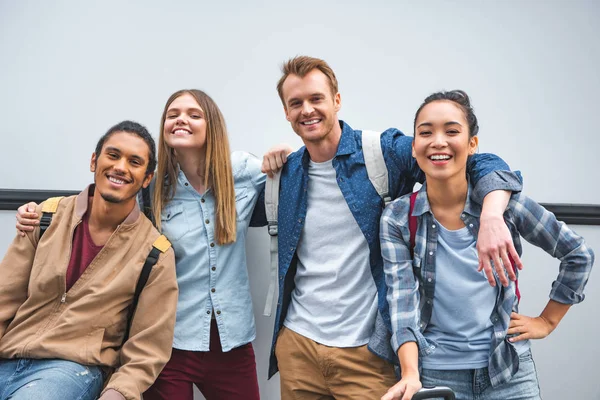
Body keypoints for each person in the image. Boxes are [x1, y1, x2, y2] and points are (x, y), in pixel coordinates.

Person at [258, 56, 525, 399]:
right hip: (298, 348)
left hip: (368, 352)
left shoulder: (380, 152)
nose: (307, 110)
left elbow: (477, 162)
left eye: (316, 98)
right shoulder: (288, 172)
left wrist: (491, 215)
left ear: (336, 100)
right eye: (296, 103)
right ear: (286, 112)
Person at [16, 89, 290, 399]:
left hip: (232, 343)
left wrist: (286, 154)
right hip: (168, 342)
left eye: (193, 114)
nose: (181, 119)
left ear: (211, 124)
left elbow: (295, 180)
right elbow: (100, 204)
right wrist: (36, 213)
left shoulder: (242, 171)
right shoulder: (152, 188)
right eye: (173, 115)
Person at [380, 90, 594, 400]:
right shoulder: (398, 217)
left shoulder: (506, 207)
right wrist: (411, 374)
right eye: (426, 133)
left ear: (472, 145)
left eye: (451, 131)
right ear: (414, 147)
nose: (438, 141)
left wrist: (547, 321)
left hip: (508, 373)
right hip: (433, 373)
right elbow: (401, 305)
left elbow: (577, 254)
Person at [0, 121, 178, 400]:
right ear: (95, 161)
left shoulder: (155, 253)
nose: (120, 167)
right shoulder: (46, 217)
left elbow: (149, 347)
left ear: (146, 178)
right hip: (8, 357)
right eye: (113, 155)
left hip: (72, 370)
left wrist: (119, 392)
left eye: (134, 162)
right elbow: (4, 298)